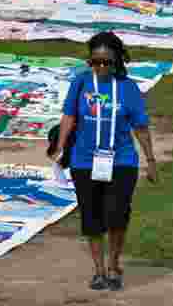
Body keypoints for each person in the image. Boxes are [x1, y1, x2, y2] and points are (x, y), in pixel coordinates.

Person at [49, 31, 158, 291]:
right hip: (85, 160)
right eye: (94, 62)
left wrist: (151, 160)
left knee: (117, 214)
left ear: (117, 61)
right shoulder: (80, 83)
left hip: (121, 160)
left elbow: (140, 127)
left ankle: (114, 265)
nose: (99, 67)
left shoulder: (128, 88)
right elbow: (69, 117)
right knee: (91, 216)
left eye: (106, 62)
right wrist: (60, 147)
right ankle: (99, 271)